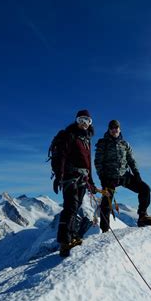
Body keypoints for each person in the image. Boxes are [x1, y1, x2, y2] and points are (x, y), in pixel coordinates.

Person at [94, 119, 151, 231]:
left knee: (145, 189)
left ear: (119, 129)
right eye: (112, 128)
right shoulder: (103, 143)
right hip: (109, 177)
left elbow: (131, 160)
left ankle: (142, 216)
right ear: (109, 129)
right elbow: (98, 162)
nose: (114, 130)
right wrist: (102, 177)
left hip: (124, 176)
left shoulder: (124, 144)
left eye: (116, 128)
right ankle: (105, 229)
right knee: (107, 203)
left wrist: (136, 173)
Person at [55, 109, 97, 257]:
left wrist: (91, 182)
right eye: (81, 120)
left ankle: (72, 237)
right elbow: (61, 156)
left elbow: (88, 164)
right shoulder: (70, 135)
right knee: (70, 207)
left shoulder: (87, 140)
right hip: (69, 177)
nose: (84, 123)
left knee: (76, 207)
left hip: (82, 179)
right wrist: (58, 176)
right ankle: (64, 242)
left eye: (87, 121)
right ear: (76, 120)